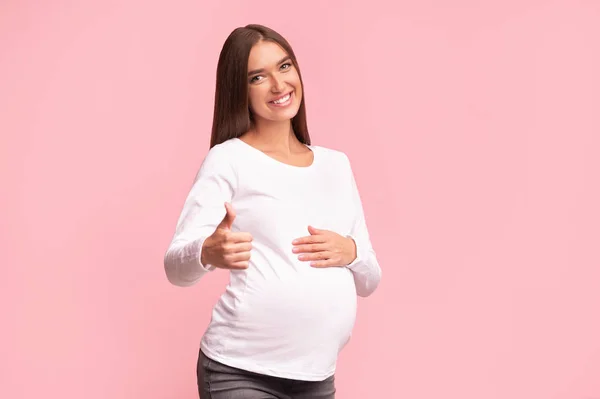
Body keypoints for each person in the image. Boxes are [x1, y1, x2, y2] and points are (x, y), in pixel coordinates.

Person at [164, 24, 382, 399]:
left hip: (317, 377)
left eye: (284, 67)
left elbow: (370, 280)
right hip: (241, 371)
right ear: (240, 91)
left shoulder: (336, 165)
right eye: (257, 77)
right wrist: (206, 252)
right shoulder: (228, 159)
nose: (279, 86)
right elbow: (175, 269)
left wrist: (352, 251)